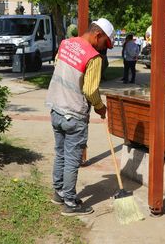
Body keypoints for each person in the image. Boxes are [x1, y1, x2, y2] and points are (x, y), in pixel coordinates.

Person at [45, 18, 114, 216]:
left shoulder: (66, 44)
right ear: (97, 35)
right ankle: (70, 202)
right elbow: (91, 90)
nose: (104, 48)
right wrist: (101, 108)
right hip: (74, 115)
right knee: (72, 159)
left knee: (60, 153)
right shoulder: (93, 57)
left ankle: (59, 193)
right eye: (105, 43)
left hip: (56, 109)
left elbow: (59, 65)